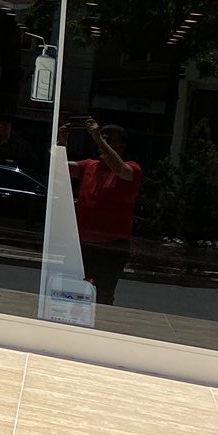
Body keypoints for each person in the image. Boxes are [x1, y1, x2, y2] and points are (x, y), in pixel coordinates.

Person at [70, 117, 141, 305]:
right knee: (76, 292)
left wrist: (99, 139)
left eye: (110, 140)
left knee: (104, 295)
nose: (104, 143)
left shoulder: (133, 168)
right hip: (84, 243)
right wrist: (61, 141)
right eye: (104, 138)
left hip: (111, 246)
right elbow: (61, 167)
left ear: (122, 146)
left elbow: (120, 170)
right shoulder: (89, 165)